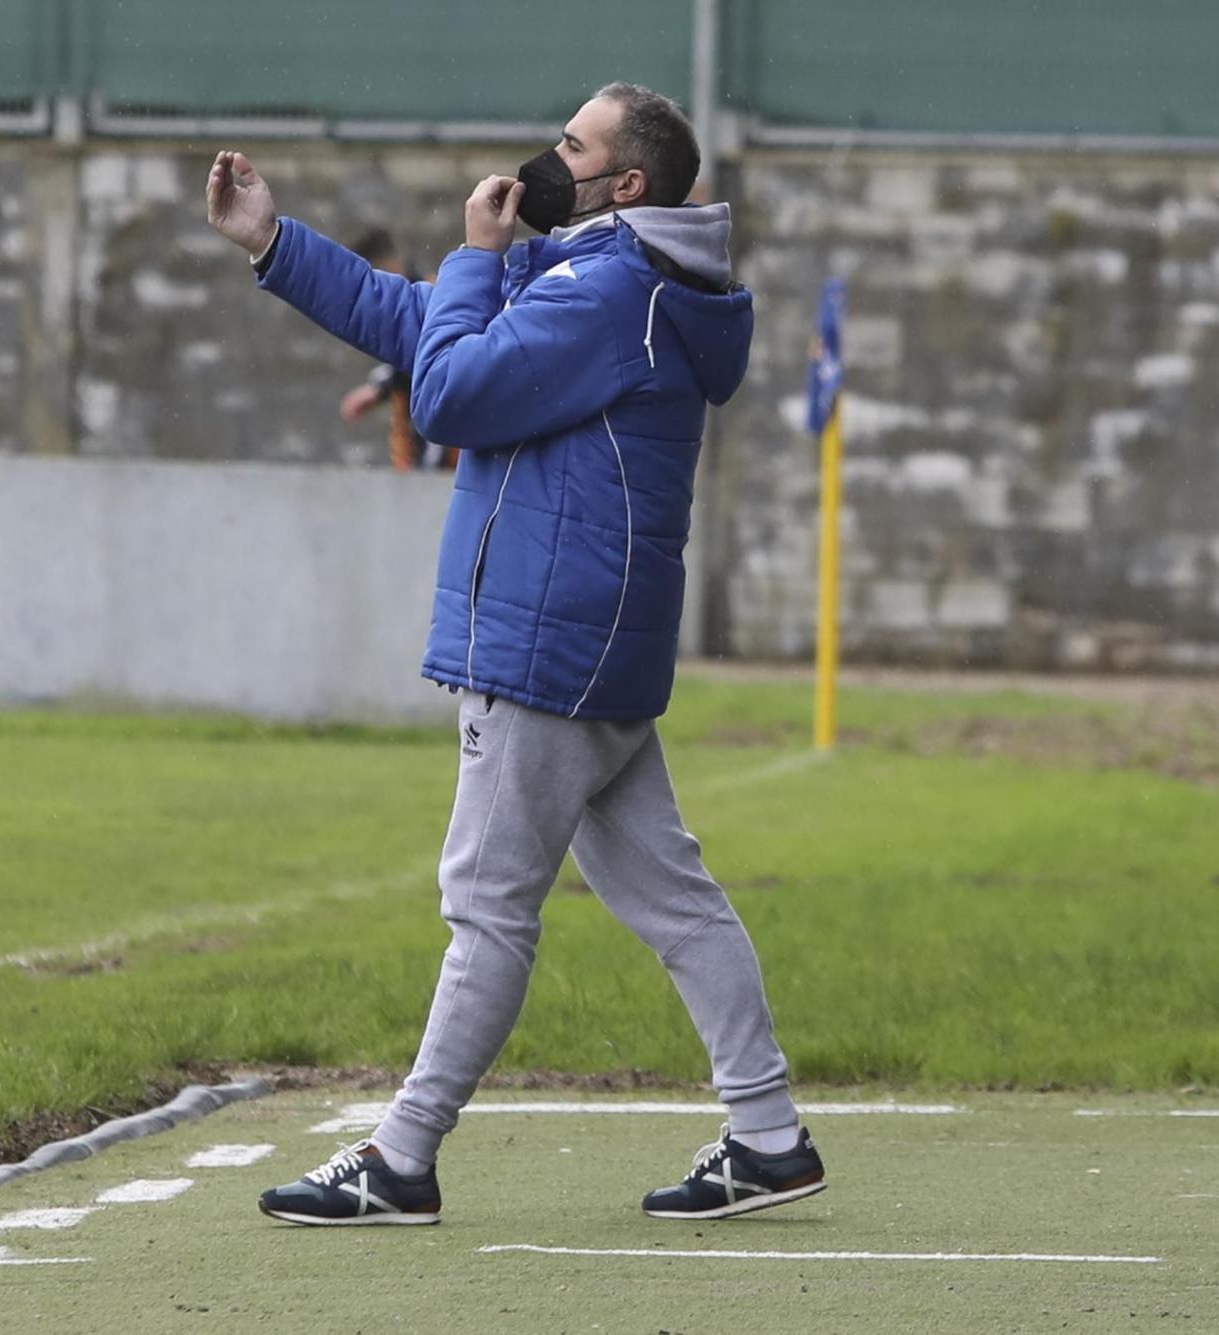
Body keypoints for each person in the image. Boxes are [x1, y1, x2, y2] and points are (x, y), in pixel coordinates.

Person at [206, 83, 824, 1224]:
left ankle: (401, 1158)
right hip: (593, 639)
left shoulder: (607, 287)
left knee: (486, 908)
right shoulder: (615, 276)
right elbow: (423, 321)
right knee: (673, 898)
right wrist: (275, 246)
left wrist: (474, 251)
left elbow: (445, 391)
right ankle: (768, 1134)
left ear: (623, 184)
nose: (547, 158)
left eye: (571, 145)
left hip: (547, 641)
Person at [336, 230, 454, 473]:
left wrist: (380, 387)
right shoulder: (402, 307)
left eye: (373, 278)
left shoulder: (437, 297)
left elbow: (427, 354)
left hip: (446, 442)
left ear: (392, 266)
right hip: (412, 444)